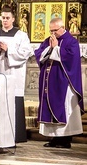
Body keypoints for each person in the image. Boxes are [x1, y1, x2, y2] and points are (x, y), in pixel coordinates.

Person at [34, 18, 84, 148]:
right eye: (51, 31)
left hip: (64, 83)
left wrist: (56, 48)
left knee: (65, 109)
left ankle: (65, 139)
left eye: (55, 30)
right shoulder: (48, 40)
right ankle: (55, 138)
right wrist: (51, 48)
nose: (52, 33)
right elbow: (39, 54)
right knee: (50, 109)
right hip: (50, 83)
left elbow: (70, 59)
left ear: (63, 28)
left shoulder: (71, 42)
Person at [0, 6, 32, 143]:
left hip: (14, 74)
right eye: (3, 18)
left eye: (8, 18)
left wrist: (8, 50)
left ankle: (16, 135)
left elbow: (25, 53)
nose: (5, 20)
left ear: (13, 19)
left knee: (14, 101)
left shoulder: (21, 35)